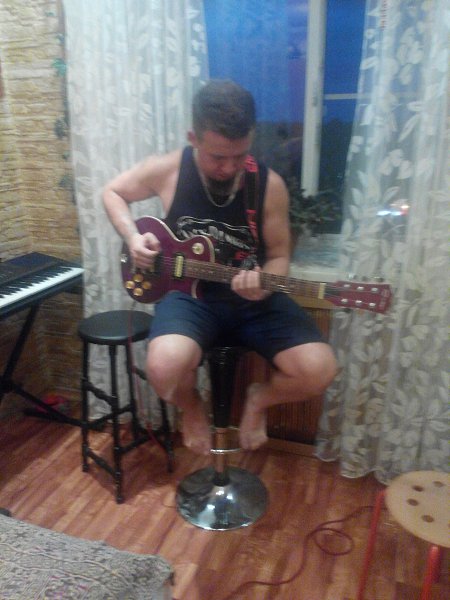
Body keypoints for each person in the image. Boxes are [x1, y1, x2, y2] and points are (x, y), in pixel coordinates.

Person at [103, 79, 337, 456]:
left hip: (253, 299)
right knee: (162, 370)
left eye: (239, 155)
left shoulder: (269, 185)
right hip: (188, 297)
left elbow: (280, 255)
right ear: (193, 138)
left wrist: (266, 281)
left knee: (319, 370)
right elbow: (112, 192)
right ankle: (193, 406)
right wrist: (132, 237)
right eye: (217, 157)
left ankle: (258, 399)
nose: (229, 167)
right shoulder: (168, 170)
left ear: (251, 136)